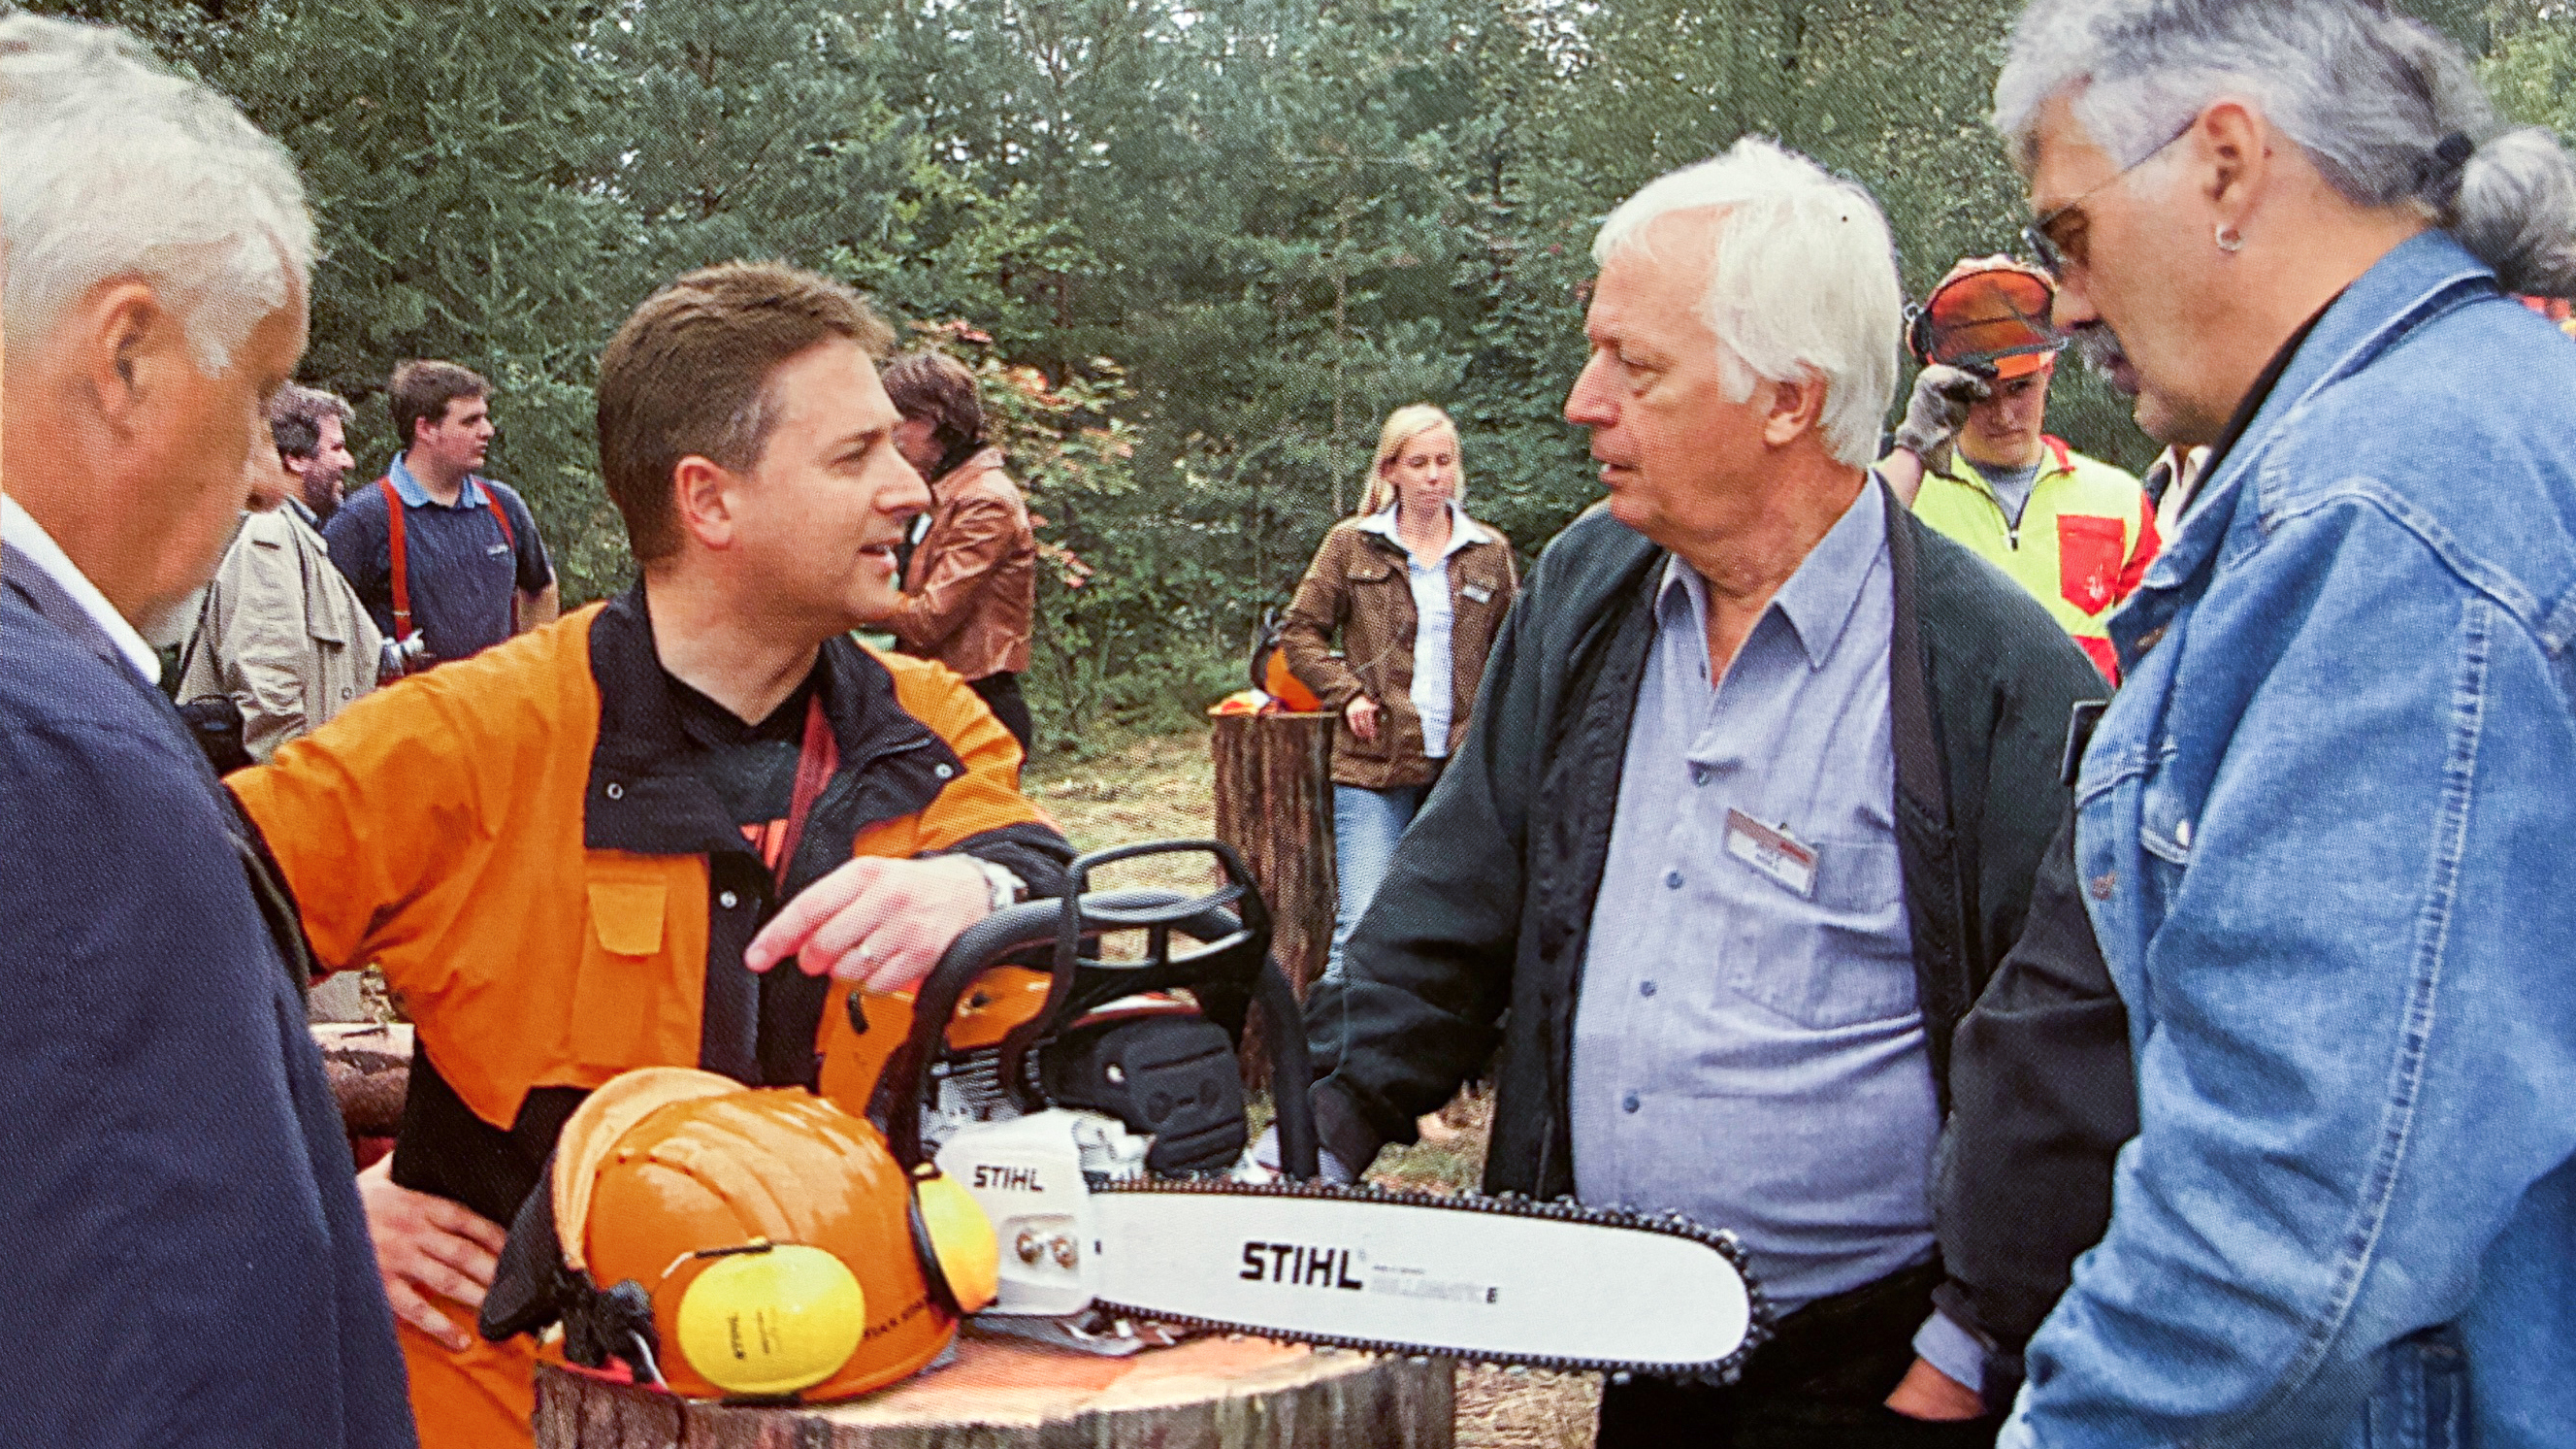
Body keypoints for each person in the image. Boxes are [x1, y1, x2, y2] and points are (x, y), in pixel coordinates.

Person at [1290, 138, 2104, 1447]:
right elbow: (1460, 885)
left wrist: (1958, 1359)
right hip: (1648, 1362)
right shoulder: (1586, 590)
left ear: (1785, 398)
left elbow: (2066, 1058)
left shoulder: (1997, 675)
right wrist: (1314, 1130)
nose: (1579, 401)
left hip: (1876, 1374)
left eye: (1634, 366)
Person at [228, 262, 1076, 1449]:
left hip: (869, 1386)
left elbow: (1037, 866)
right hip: (512, 1403)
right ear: (709, 501)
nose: (907, 490)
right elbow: (141, 937)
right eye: (854, 456)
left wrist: (974, 885)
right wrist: (301, 1199)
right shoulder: (476, 739)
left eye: (899, 450)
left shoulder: (921, 728)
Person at [1961, 2, 2576, 1445]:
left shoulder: (2391, 503)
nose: (2061, 308)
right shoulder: (2462, 430)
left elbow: (2295, 1208)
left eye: (2066, 235)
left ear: (2225, 163)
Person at [0, 15, 415, 1445]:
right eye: (251, 398)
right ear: (122, 357)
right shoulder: (52, 763)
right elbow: (165, 1373)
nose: (260, 480)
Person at [1278, 404, 1517, 984]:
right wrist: (1348, 693)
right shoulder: (1352, 545)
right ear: (1391, 471)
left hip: (1462, 772)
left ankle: (1433, 1063)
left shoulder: (1489, 550)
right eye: (1419, 463)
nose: (1434, 475)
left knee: (1456, 923)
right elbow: (1300, 631)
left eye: (1444, 461)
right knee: (1362, 924)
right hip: (1373, 765)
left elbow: (1518, 650)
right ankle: (1328, 1066)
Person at [1879, 257, 2156, 681]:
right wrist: (1911, 452)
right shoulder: (1901, 494)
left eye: (2020, 388)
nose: (2004, 414)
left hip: (2086, 746)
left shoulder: (2120, 498)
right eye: (1981, 394)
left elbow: (2154, 661)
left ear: (2049, 371)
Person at [176, 383, 386, 763]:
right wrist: (300, 795)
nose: (349, 462)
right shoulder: (269, 535)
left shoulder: (298, 539)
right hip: (289, 795)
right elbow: (270, 698)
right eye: (337, 448)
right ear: (294, 458)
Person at [324, 359, 558, 667]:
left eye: (485, 418)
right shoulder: (365, 519)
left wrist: (530, 668)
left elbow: (541, 588)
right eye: (470, 421)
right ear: (426, 429)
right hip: (411, 709)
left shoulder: (503, 504)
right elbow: (323, 625)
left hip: (495, 708)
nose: (487, 431)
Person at [879, 350, 1040, 755]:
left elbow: (929, 619)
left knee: (978, 821)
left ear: (933, 420)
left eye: (900, 421)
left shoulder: (985, 500)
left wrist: (840, 601)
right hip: (936, 699)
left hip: (979, 705)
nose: (892, 435)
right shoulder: (939, 493)